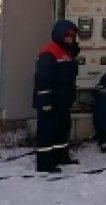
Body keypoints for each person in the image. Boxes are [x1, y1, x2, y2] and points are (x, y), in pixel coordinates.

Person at [33, 19, 80, 173]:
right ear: (60, 35)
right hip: (50, 100)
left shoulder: (66, 52)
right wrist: (45, 99)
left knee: (62, 129)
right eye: (67, 37)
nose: (70, 40)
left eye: (72, 37)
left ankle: (61, 157)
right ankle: (45, 164)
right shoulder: (49, 51)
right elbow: (43, 78)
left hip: (62, 100)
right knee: (47, 131)